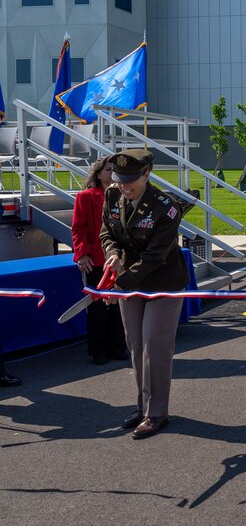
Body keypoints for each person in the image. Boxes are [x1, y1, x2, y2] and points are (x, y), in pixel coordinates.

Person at [100, 149, 191, 440]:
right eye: (119, 179)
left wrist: (120, 285)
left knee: (155, 345)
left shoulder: (167, 207)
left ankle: (157, 413)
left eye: (130, 181)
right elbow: (107, 233)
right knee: (136, 345)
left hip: (163, 282)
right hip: (129, 279)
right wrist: (113, 255)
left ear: (147, 174)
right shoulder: (113, 196)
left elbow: (155, 256)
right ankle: (142, 407)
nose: (124, 186)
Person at [73, 156, 128, 365]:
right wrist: (82, 254)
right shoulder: (85, 197)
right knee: (96, 308)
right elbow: (78, 228)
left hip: (119, 259)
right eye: (107, 169)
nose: (111, 173)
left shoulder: (124, 195)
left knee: (117, 306)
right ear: (98, 173)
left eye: (114, 170)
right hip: (95, 259)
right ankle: (98, 351)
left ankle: (118, 346)